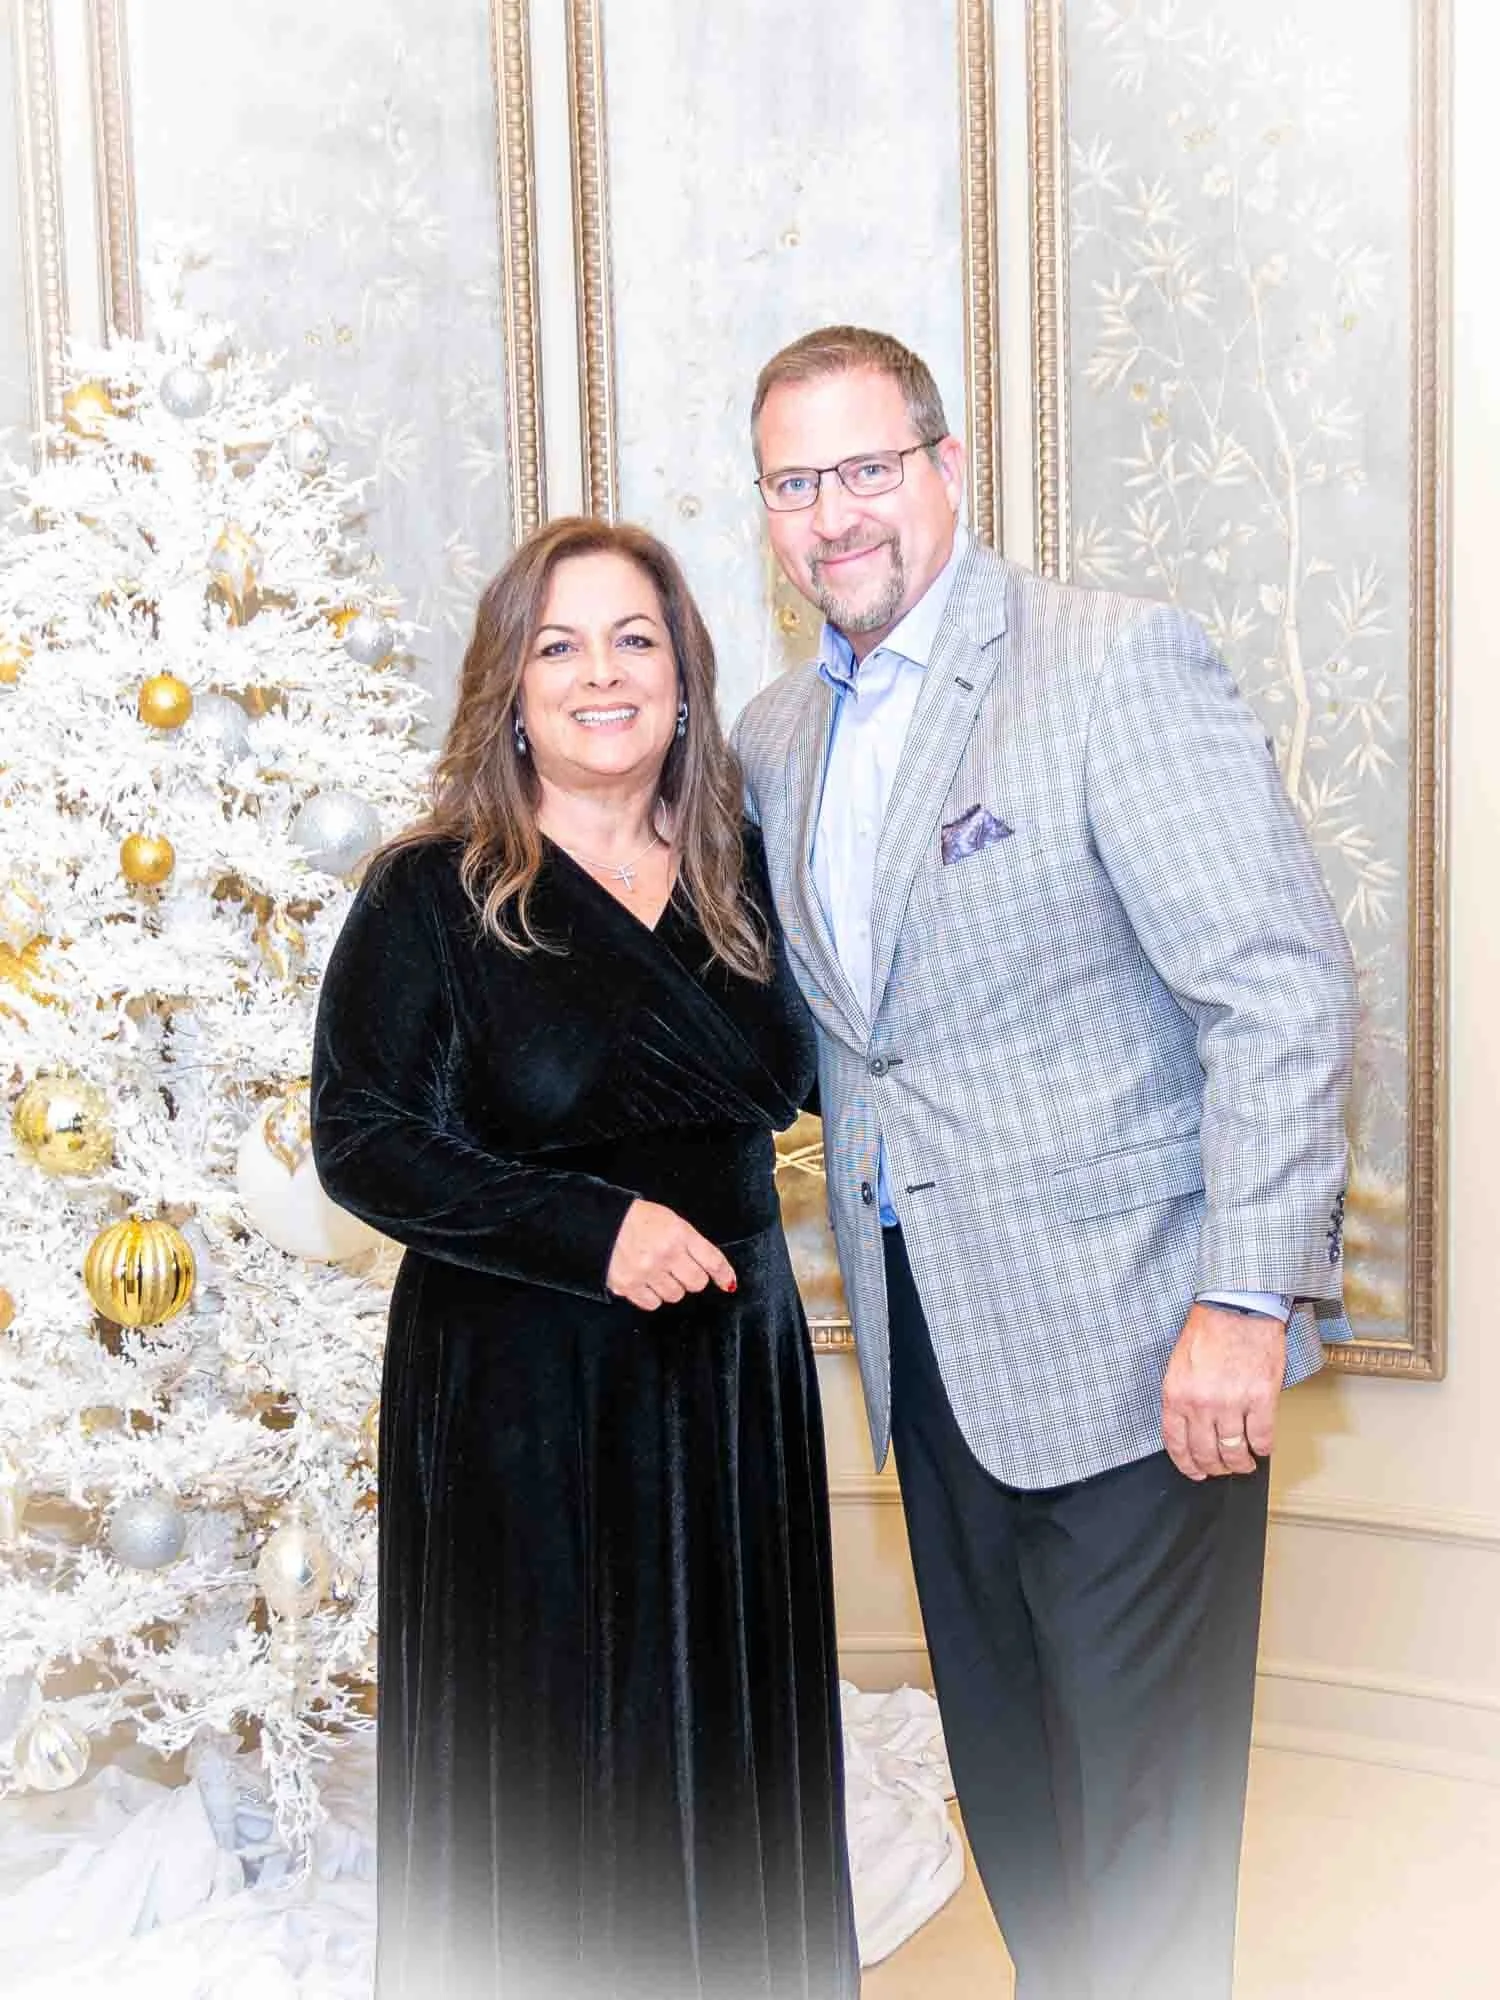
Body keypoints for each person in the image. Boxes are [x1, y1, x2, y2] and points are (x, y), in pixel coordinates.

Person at [732, 326, 1357, 2000]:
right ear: (769, 516)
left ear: (945, 468)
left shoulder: (1108, 663)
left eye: (867, 469)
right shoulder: (777, 734)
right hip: (930, 1356)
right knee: (1014, 1784)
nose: (834, 515)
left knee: (1143, 1819)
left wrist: (1243, 1298)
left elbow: (1277, 990)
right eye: (797, 483)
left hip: (1146, 1345)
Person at [311, 517, 858, 2000]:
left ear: (685, 674)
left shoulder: (746, 874)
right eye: (558, 644)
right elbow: (361, 1138)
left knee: (724, 1754)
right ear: (509, 685)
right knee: (550, 1759)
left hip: (727, 1391)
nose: (600, 674)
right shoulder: (428, 889)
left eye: (635, 639)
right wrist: (593, 1228)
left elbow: (837, 1070)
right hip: (518, 1396)